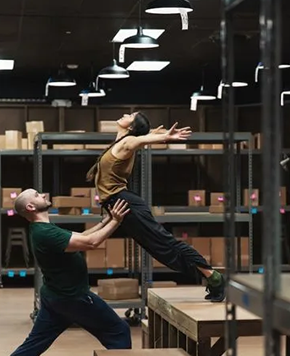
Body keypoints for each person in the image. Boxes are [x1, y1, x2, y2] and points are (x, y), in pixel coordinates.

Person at [0, 189, 133, 356]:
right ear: (31, 207)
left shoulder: (44, 229)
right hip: (73, 298)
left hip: (55, 298)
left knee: (33, 345)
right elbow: (91, 243)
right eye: (37, 195)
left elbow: (83, 236)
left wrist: (107, 220)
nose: (43, 195)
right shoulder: (45, 233)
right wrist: (117, 221)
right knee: (119, 332)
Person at [86, 112, 225, 301]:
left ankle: (213, 277)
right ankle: (208, 276)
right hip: (118, 202)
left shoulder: (127, 143)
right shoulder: (121, 140)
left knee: (164, 243)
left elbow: (139, 140)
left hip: (124, 202)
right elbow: (139, 137)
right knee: (158, 248)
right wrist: (153, 133)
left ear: (131, 127)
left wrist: (164, 137)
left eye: (130, 115)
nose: (125, 114)